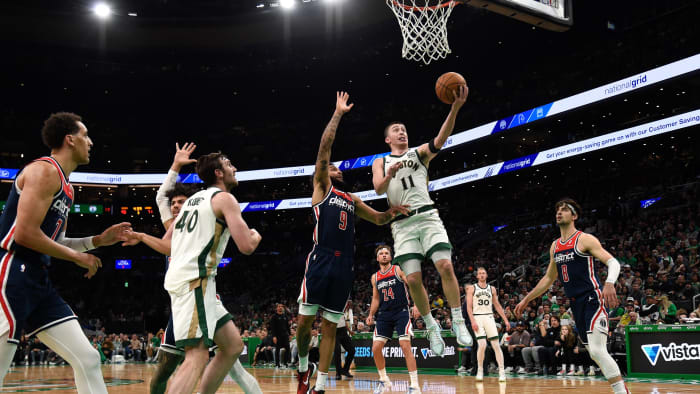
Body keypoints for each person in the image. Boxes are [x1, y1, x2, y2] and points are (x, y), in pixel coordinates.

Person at [0, 112, 132, 392]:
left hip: (37, 279)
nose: (90, 142)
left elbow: (55, 240)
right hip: (11, 270)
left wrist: (98, 240)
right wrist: (76, 257)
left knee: (88, 358)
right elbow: (24, 233)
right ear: (70, 140)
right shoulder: (44, 171)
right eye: (85, 135)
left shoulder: (67, 188)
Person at [123, 149, 263, 394]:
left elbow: (170, 246)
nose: (235, 168)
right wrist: (256, 234)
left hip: (193, 283)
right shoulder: (224, 199)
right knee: (196, 356)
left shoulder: (191, 203)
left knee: (232, 346)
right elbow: (247, 246)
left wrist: (143, 236)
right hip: (195, 282)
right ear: (219, 173)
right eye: (229, 164)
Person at [296, 92, 409, 394]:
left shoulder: (352, 199)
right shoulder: (322, 188)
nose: (338, 168)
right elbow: (324, 149)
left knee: (331, 326)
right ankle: (302, 368)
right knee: (306, 322)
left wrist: (393, 212)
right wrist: (338, 114)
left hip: (345, 264)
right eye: (333, 167)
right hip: (321, 259)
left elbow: (380, 220)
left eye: (336, 167)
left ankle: (320, 386)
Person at [371, 85, 471, 355]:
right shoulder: (379, 160)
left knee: (445, 266)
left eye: (403, 129)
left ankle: (458, 320)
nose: (401, 132)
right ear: (388, 140)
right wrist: (390, 173)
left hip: (426, 215)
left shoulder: (418, 153)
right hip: (402, 224)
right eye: (396, 130)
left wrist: (455, 108)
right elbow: (379, 189)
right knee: (413, 278)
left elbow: (441, 138)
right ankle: (430, 326)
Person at [515, 199, 630, 394]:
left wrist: (609, 283)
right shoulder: (555, 246)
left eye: (565, 209)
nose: (559, 212)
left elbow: (613, 263)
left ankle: (622, 392)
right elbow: (548, 278)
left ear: (574, 216)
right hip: (575, 304)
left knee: (596, 350)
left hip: (592, 298)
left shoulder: (584, 239)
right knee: (594, 353)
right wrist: (527, 298)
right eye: (558, 209)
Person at [366, 245, 420, 393]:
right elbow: (376, 298)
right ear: (377, 258)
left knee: (405, 346)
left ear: (390, 256)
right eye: (381, 253)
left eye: (386, 253)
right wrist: (371, 314)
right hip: (384, 315)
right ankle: (384, 380)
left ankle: (415, 386)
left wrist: (416, 304)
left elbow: (412, 286)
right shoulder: (375, 277)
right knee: (376, 348)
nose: (384, 255)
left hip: (401, 311)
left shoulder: (397, 269)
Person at [466, 267, 510, 382]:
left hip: (489, 317)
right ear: (477, 276)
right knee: (482, 345)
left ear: (486, 275)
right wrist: (472, 321)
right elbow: (468, 307)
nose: (481, 275)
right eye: (479, 273)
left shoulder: (492, 289)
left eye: (483, 273)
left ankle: (501, 371)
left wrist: (505, 319)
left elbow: (497, 305)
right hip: (477, 317)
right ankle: (480, 370)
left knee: (496, 345)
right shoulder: (472, 288)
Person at [332, 300, 355, 380]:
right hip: (334, 332)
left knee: (352, 350)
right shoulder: (330, 306)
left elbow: (344, 320)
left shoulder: (342, 306)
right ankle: (338, 373)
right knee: (337, 352)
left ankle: (345, 370)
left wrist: (349, 331)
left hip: (343, 331)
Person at [270, 303, 291, 369]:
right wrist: (274, 336)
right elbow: (272, 327)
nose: (280, 307)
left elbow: (288, 326)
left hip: (285, 335)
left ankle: (285, 363)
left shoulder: (285, 316)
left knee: (288, 349)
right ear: (276, 308)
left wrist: (289, 334)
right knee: (277, 350)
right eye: (279, 306)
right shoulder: (274, 317)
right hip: (277, 336)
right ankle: (277, 364)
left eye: (281, 306)